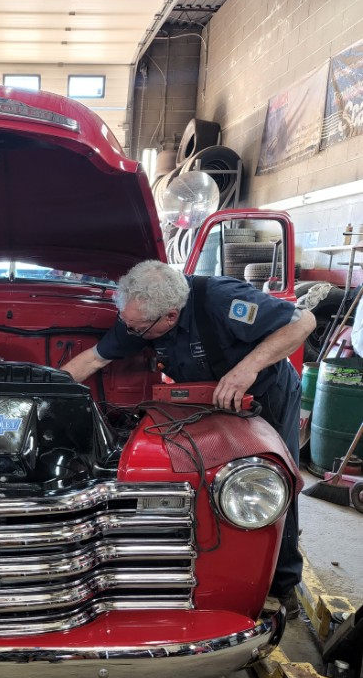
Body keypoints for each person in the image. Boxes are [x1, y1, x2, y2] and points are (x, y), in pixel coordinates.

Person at [62, 260, 317, 617]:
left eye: (136, 328)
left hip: (263, 393)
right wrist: (47, 391)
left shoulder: (221, 299)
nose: (129, 331)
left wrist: (246, 369)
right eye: (126, 322)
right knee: (204, 481)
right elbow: (93, 359)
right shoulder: (139, 318)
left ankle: (282, 584)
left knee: (268, 482)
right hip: (202, 400)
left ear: (170, 316)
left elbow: (303, 322)